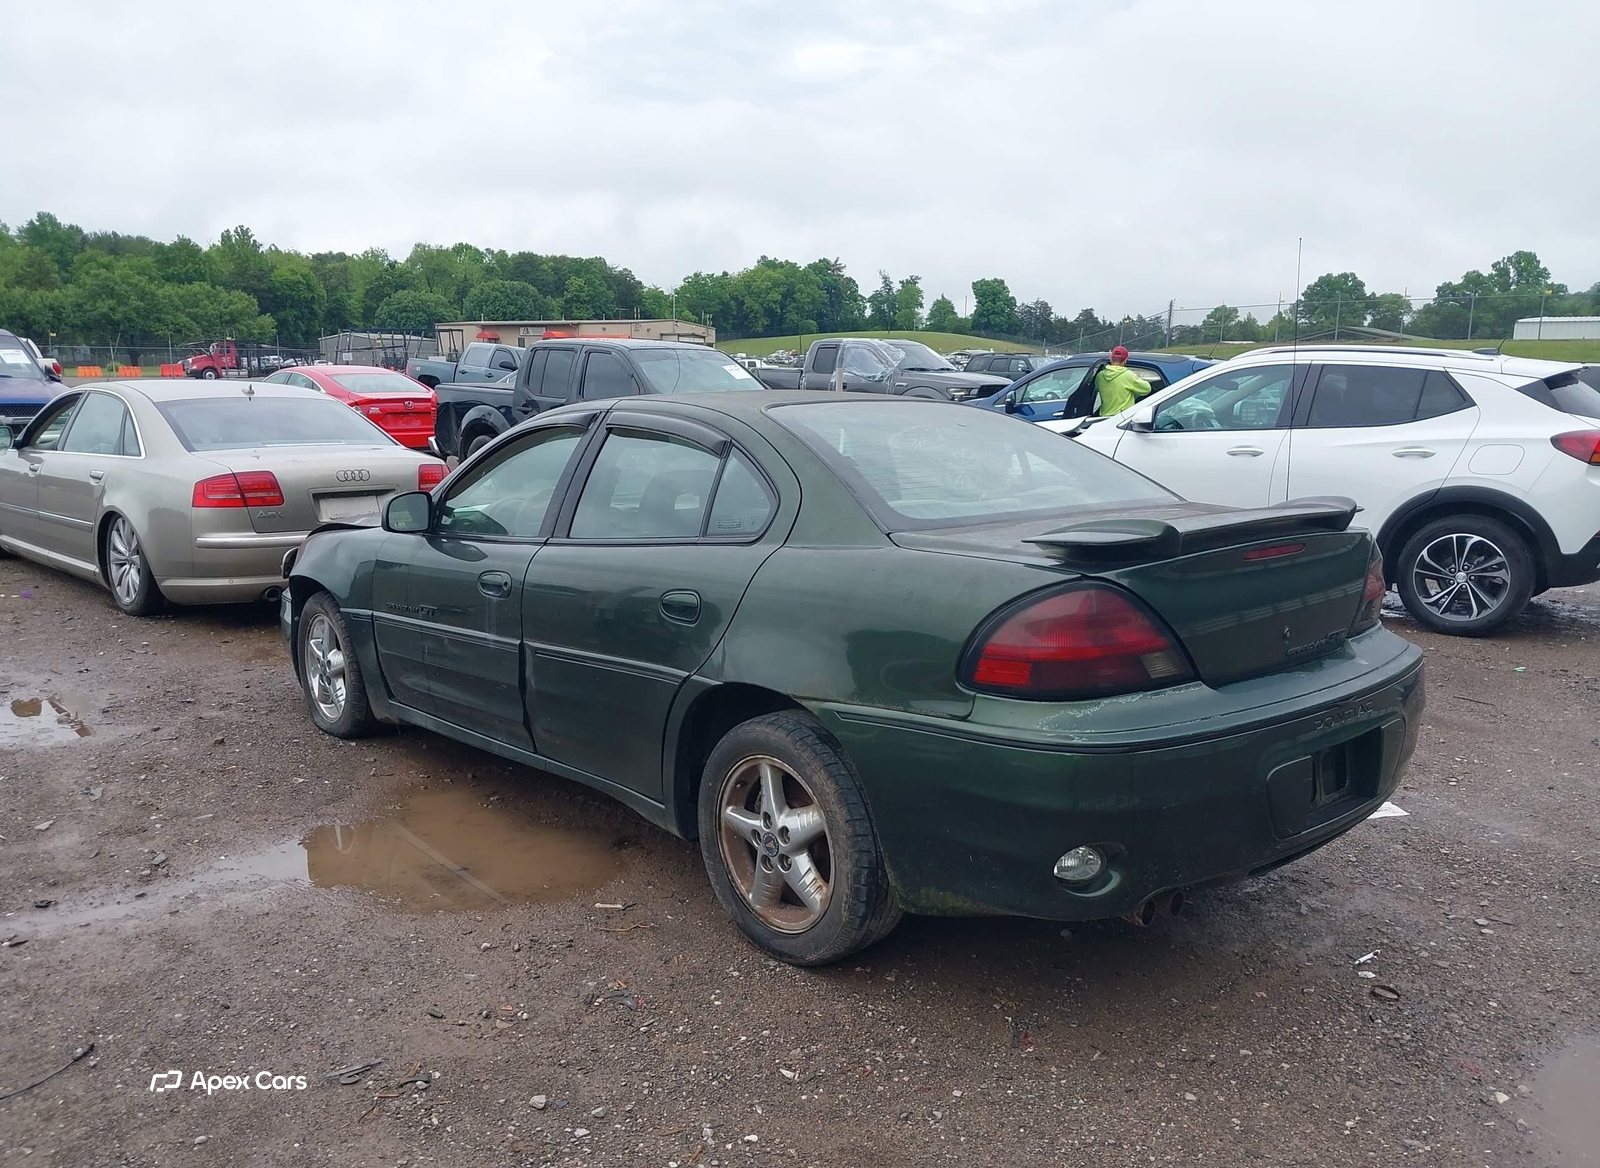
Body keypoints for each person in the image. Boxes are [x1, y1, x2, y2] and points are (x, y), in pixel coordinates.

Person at [1095, 346, 1153, 416]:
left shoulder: (1100, 376)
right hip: (1122, 418)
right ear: (1125, 360)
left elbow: (1097, 389)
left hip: (1103, 418)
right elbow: (1147, 389)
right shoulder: (1128, 375)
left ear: (1111, 359)